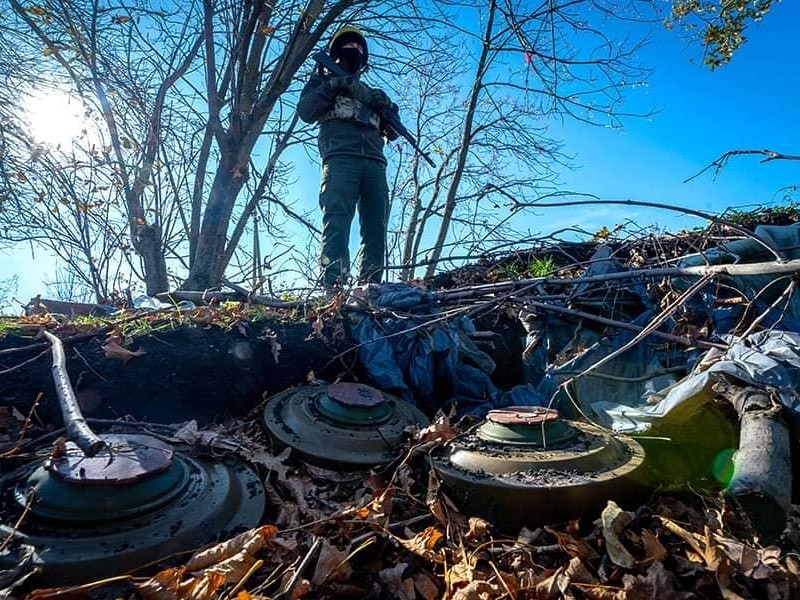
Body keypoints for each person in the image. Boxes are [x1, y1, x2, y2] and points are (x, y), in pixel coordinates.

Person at [297, 26, 399, 290]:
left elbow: (395, 131)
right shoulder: (321, 84)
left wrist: (386, 107)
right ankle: (334, 288)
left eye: (358, 48)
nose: (353, 50)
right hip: (340, 159)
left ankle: (370, 289)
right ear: (335, 53)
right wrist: (333, 85)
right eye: (347, 46)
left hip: (375, 164)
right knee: (337, 222)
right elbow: (306, 111)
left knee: (376, 228)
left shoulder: (374, 94)